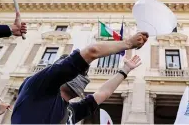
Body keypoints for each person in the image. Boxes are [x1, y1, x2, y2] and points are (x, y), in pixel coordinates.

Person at [11, 32, 148, 124]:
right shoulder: (38, 86)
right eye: (82, 71)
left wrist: (125, 70)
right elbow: (92, 51)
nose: (84, 78)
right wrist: (128, 44)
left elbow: (102, 93)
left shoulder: (70, 112)